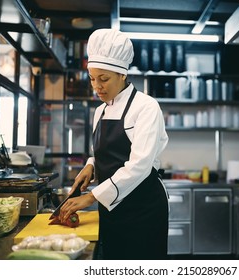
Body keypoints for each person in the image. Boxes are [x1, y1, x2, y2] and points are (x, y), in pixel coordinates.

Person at [60, 28, 169, 260]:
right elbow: (102, 151)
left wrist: (92, 196)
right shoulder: (99, 111)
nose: (96, 86)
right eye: (92, 79)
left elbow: (139, 164)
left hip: (143, 208)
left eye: (104, 79)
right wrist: (91, 164)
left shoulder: (146, 107)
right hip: (111, 207)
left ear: (122, 74)